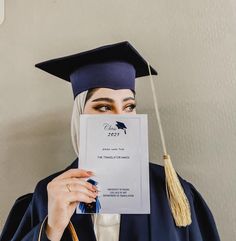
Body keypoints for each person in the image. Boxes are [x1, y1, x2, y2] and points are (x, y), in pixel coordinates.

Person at [0, 41, 221, 241]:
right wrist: (51, 229)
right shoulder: (48, 195)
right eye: (103, 107)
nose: (119, 119)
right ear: (79, 117)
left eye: (129, 106)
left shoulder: (172, 192)